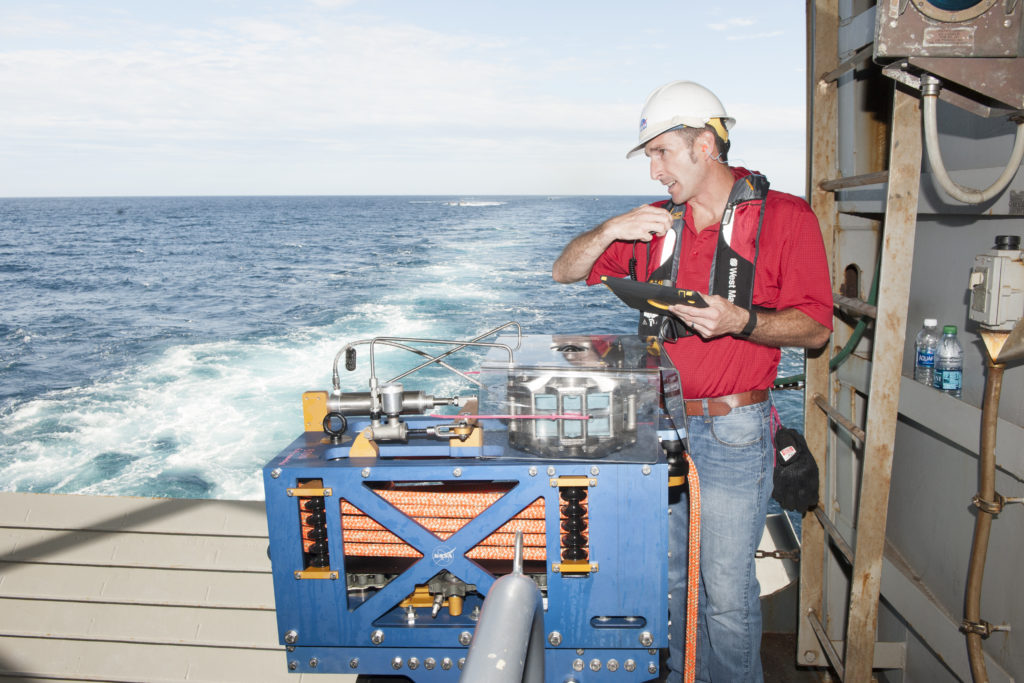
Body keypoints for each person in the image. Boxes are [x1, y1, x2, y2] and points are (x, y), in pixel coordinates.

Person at [551, 80, 832, 683]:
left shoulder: (786, 217)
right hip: (662, 430)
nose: (653, 171)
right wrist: (608, 231)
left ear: (704, 144)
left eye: (660, 153)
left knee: (726, 591)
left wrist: (742, 320)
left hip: (734, 429)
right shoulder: (651, 229)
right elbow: (563, 271)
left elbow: (814, 329)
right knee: (673, 581)